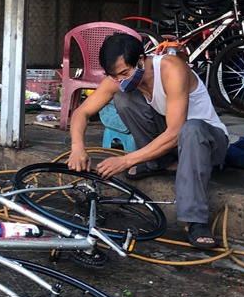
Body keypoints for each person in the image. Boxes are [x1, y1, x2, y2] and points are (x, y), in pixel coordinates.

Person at [66, 32, 229, 248]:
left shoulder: (172, 69)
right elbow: (81, 112)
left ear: (141, 60)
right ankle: (158, 162)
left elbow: (175, 132)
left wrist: (126, 160)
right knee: (123, 98)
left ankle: (195, 220)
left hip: (207, 143)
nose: (120, 80)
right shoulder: (118, 79)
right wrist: (77, 148)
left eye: (124, 73)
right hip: (175, 142)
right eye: (115, 76)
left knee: (191, 128)